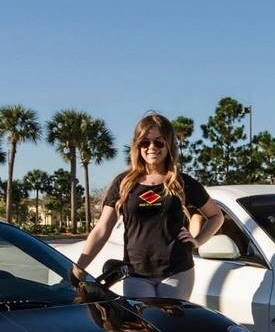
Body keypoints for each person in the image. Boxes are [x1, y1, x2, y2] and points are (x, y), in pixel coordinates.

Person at [76, 113, 225, 300]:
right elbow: (102, 229)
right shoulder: (123, 183)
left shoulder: (182, 182)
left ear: (169, 145)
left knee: (169, 320)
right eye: (145, 142)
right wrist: (79, 267)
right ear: (137, 146)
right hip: (136, 273)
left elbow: (216, 216)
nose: (152, 147)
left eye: (159, 142)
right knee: (144, 319)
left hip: (177, 272)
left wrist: (197, 241)